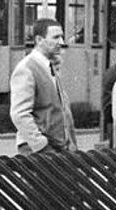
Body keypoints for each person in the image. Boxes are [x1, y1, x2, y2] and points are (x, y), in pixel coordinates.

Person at [11, 17, 76, 154]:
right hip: (39, 150)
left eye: (62, 37)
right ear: (39, 40)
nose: (61, 42)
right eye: (56, 37)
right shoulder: (26, 69)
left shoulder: (50, 65)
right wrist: (40, 144)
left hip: (54, 147)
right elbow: (19, 114)